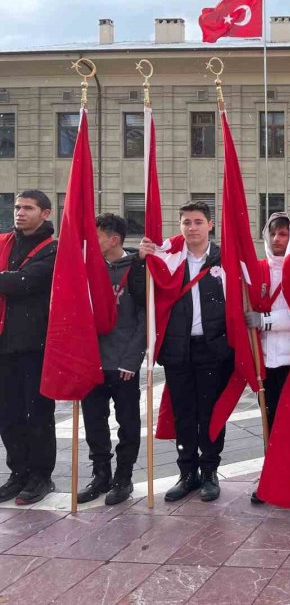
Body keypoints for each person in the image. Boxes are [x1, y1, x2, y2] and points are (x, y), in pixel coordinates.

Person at [138, 201, 233, 503]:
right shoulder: (167, 257)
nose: (191, 227)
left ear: (210, 225)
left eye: (197, 222)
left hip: (213, 349)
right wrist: (143, 262)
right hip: (177, 349)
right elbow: (144, 296)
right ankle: (187, 473)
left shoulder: (225, 258)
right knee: (183, 415)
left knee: (210, 415)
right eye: (186, 222)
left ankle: (209, 473)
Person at [77, 214, 146, 506]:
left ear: (114, 239)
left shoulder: (138, 269)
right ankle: (101, 474)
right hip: (92, 362)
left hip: (123, 365)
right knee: (94, 422)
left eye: (97, 237)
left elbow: (145, 319)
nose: (92, 244)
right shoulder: (87, 270)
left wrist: (132, 360)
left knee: (127, 423)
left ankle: (124, 477)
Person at [0, 190, 58, 505]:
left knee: (37, 414)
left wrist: (11, 279)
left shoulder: (52, 249)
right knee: (7, 415)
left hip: (36, 345)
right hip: (3, 344)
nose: (20, 212)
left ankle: (41, 476)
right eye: (17, 207)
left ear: (46, 213)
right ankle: (18, 472)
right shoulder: (4, 243)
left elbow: (27, 282)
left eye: (28, 208)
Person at [245, 212, 290, 505]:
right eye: (274, 234)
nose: (278, 240)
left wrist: (264, 320)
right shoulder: (257, 269)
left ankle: (287, 478)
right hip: (264, 360)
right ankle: (270, 478)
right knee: (269, 422)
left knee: (287, 425)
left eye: (284, 234)